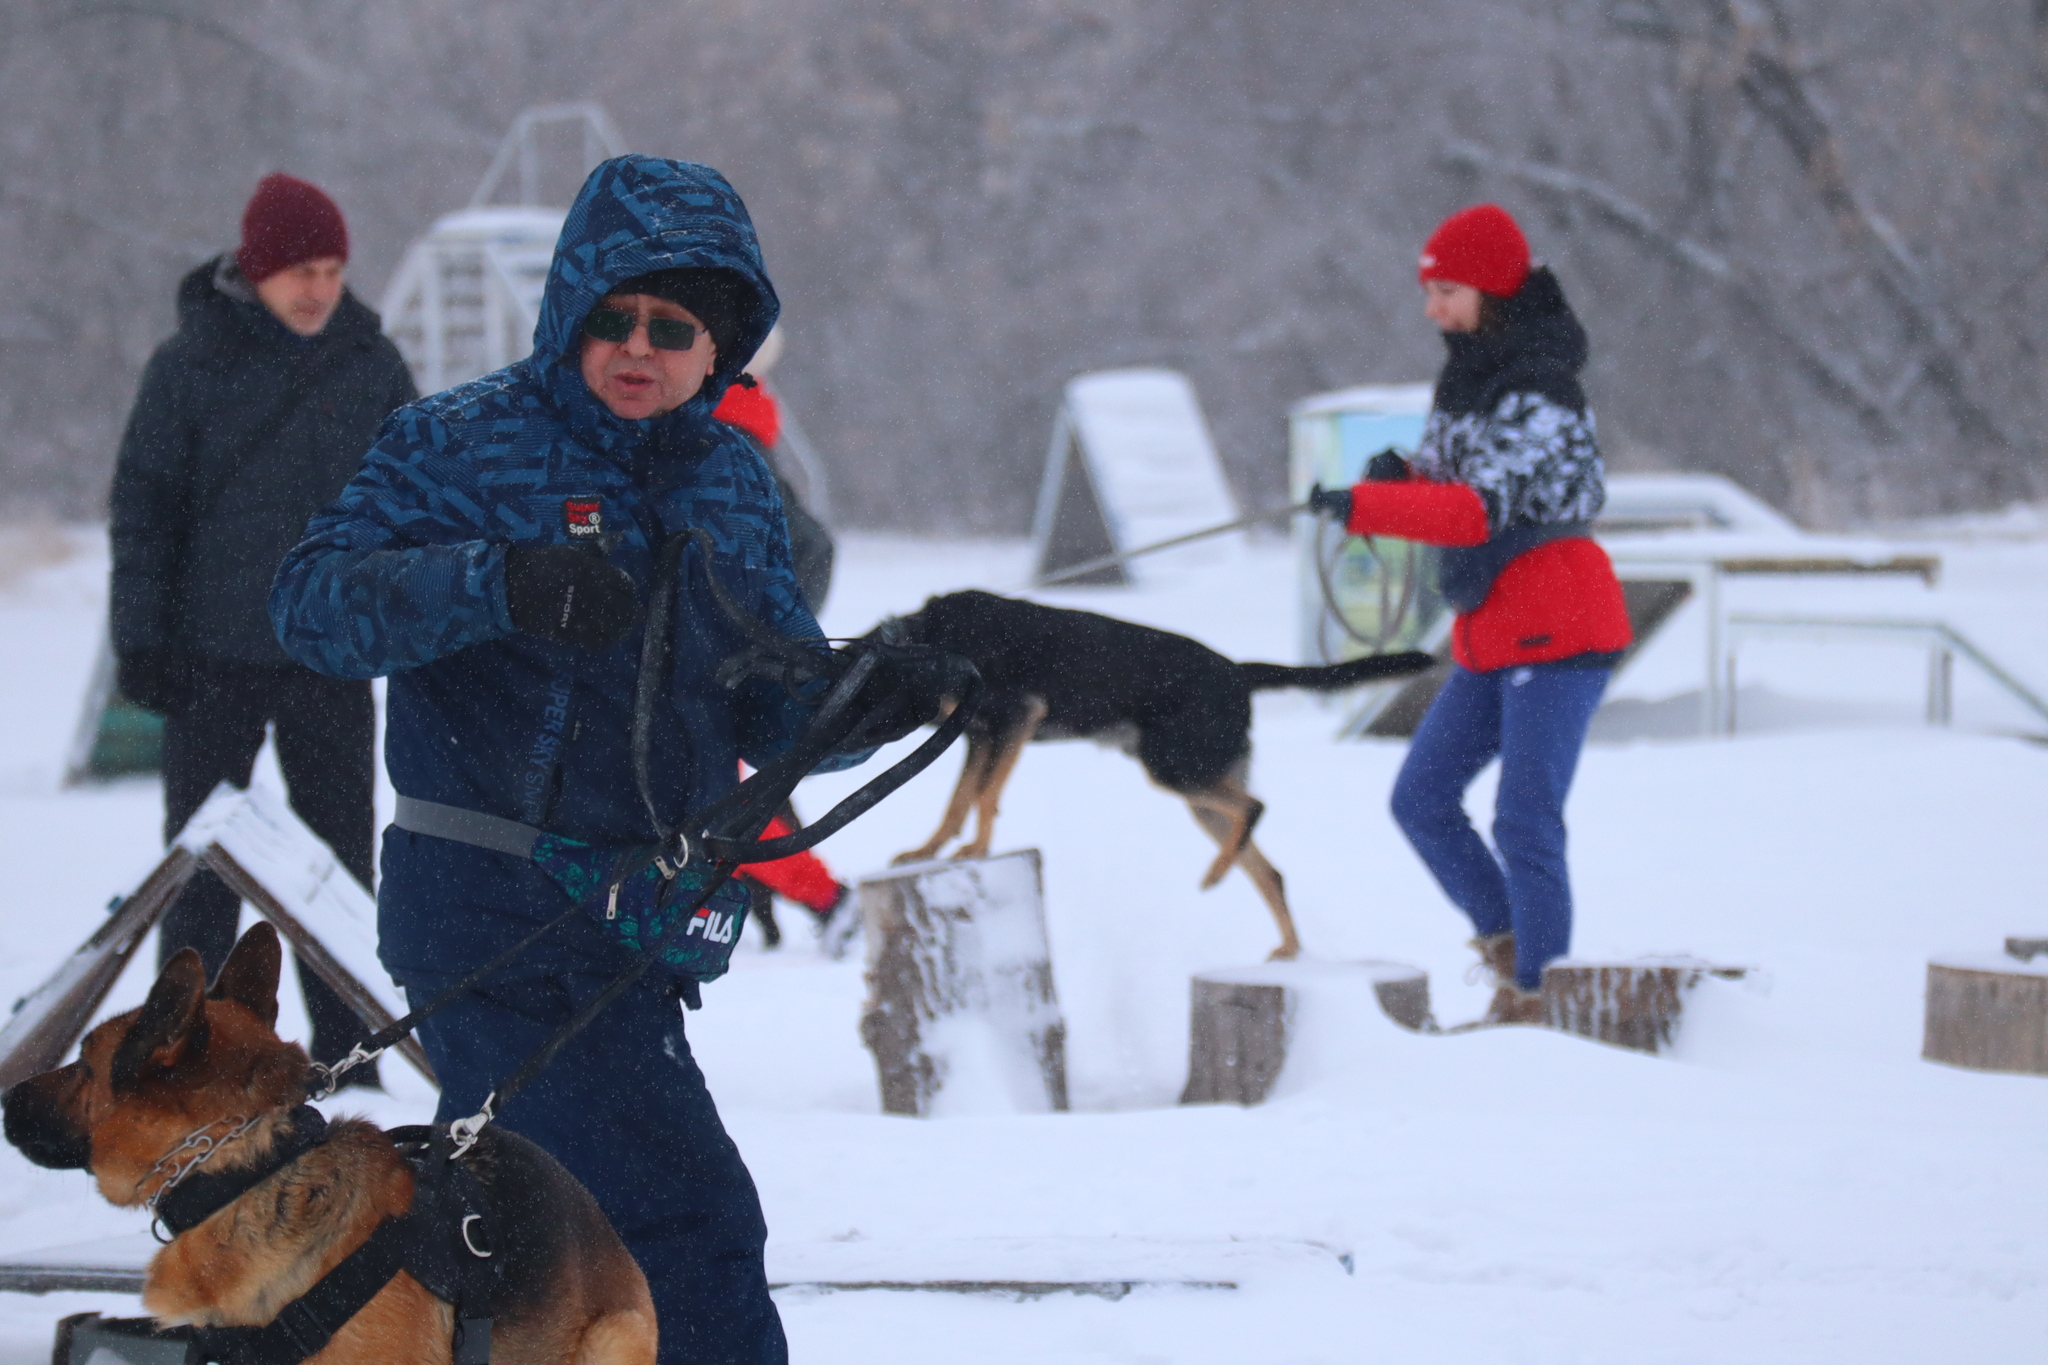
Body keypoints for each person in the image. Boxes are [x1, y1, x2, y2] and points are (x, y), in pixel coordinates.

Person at [271, 155, 864, 1364]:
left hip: (637, 924)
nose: (636, 346)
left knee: (513, 1250)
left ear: (721, 347)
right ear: (567, 316)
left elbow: (770, 692)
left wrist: (875, 688)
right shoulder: (456, 443)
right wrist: (499, 582)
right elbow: (309, 607)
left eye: (672, 327)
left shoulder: (731, 479)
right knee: (679, 1222)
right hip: (490, 912)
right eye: (611, 317)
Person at [109, 172, 415, 1085]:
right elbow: (144, 510)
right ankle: (182, 1056)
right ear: (254, 269)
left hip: (329, 656)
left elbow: (412, 500)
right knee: (200, 871)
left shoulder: (371, 360)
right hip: (211, 659)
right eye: (297, 270)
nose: (317, 288)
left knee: (338, 872)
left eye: (330, 267)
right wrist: (142, 639)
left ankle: (349, 1059)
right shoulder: (188, 363)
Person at [1312, 203, 1632, 1024]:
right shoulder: (1470, 373)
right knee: (1420, 799)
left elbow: (1478, 511)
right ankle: (1510, 955)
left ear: (1489, 288)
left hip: (1559, 626)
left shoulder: (1541, 389)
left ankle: (1542, 997)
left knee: (1525, 820)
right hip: (1494, 629)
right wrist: (1397, 482)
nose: (1432, 309)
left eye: (1445, 290)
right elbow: (1454, 491)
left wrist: (1374, 505)